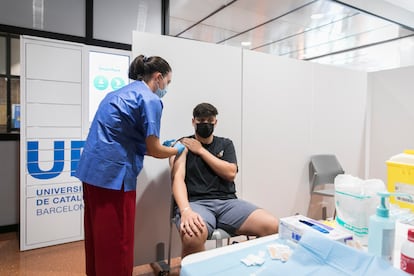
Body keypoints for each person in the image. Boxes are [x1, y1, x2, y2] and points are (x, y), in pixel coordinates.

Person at [75, 54, 184, 276]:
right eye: (168, 82)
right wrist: (176, 149)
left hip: (92, 173)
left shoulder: (117, 94)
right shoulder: (150, 99)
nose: (166, 88)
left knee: (98, 237)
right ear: (158, 77)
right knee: (117, 242)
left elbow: (122, 137)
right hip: (114, 179)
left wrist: (154, 147)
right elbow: (154, 149)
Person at [169, 102, 278, 257]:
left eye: (209, 121)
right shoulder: (184, 144)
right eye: (201, 122)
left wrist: (200, 150)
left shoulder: (225, 144)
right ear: (193, 122)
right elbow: (177, 179)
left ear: (215, 122)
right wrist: (185, 210)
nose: (205, 125)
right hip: (197, 204)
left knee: (272, 225)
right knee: (191, 237)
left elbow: (230, 173)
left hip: (228, 203)